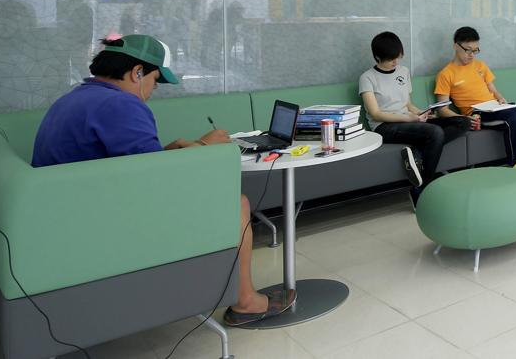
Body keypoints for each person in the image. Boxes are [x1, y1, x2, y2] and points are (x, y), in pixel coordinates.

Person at [31, 34, 294, 327]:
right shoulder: (123, 106)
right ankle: (246, 302)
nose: (154, 89)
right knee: (237, 204)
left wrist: (184, 148)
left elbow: (128, 167)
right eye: (155, 80)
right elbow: (155, 182)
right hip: (99, 225)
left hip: (62, 217)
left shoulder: (75, 98)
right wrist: (206, 149)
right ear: (137, 72)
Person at [359, 32, 471, 206]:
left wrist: (421, 113)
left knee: (463, 122)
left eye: (398, 57)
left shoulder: (403, 71)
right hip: (385, 126)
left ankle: (418, 153)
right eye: (390, 59)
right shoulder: (367, 78)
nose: (395, 62)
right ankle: (422, 189)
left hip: (408, 120)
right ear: (378, 57)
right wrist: (408, 119)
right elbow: (375, 113)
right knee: (435, 132)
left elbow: (408, 104)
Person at [434, 26, 516, 166]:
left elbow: (492, 89)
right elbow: (442, 109)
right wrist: (463, 119)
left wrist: (500, 98)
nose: (471, 55)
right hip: (477, 113)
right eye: (468, 50)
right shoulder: (446, 74)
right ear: (456, 46)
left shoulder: (480, 65)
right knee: (514, 118)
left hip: (497, 107)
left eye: (475, 50)